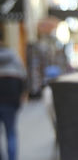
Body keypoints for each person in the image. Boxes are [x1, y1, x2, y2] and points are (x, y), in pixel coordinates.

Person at [0, 22, 27, 160]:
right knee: (10, 132)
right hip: (11, 101)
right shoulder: (14, 58)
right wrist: (22, 95)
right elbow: (23, 77)